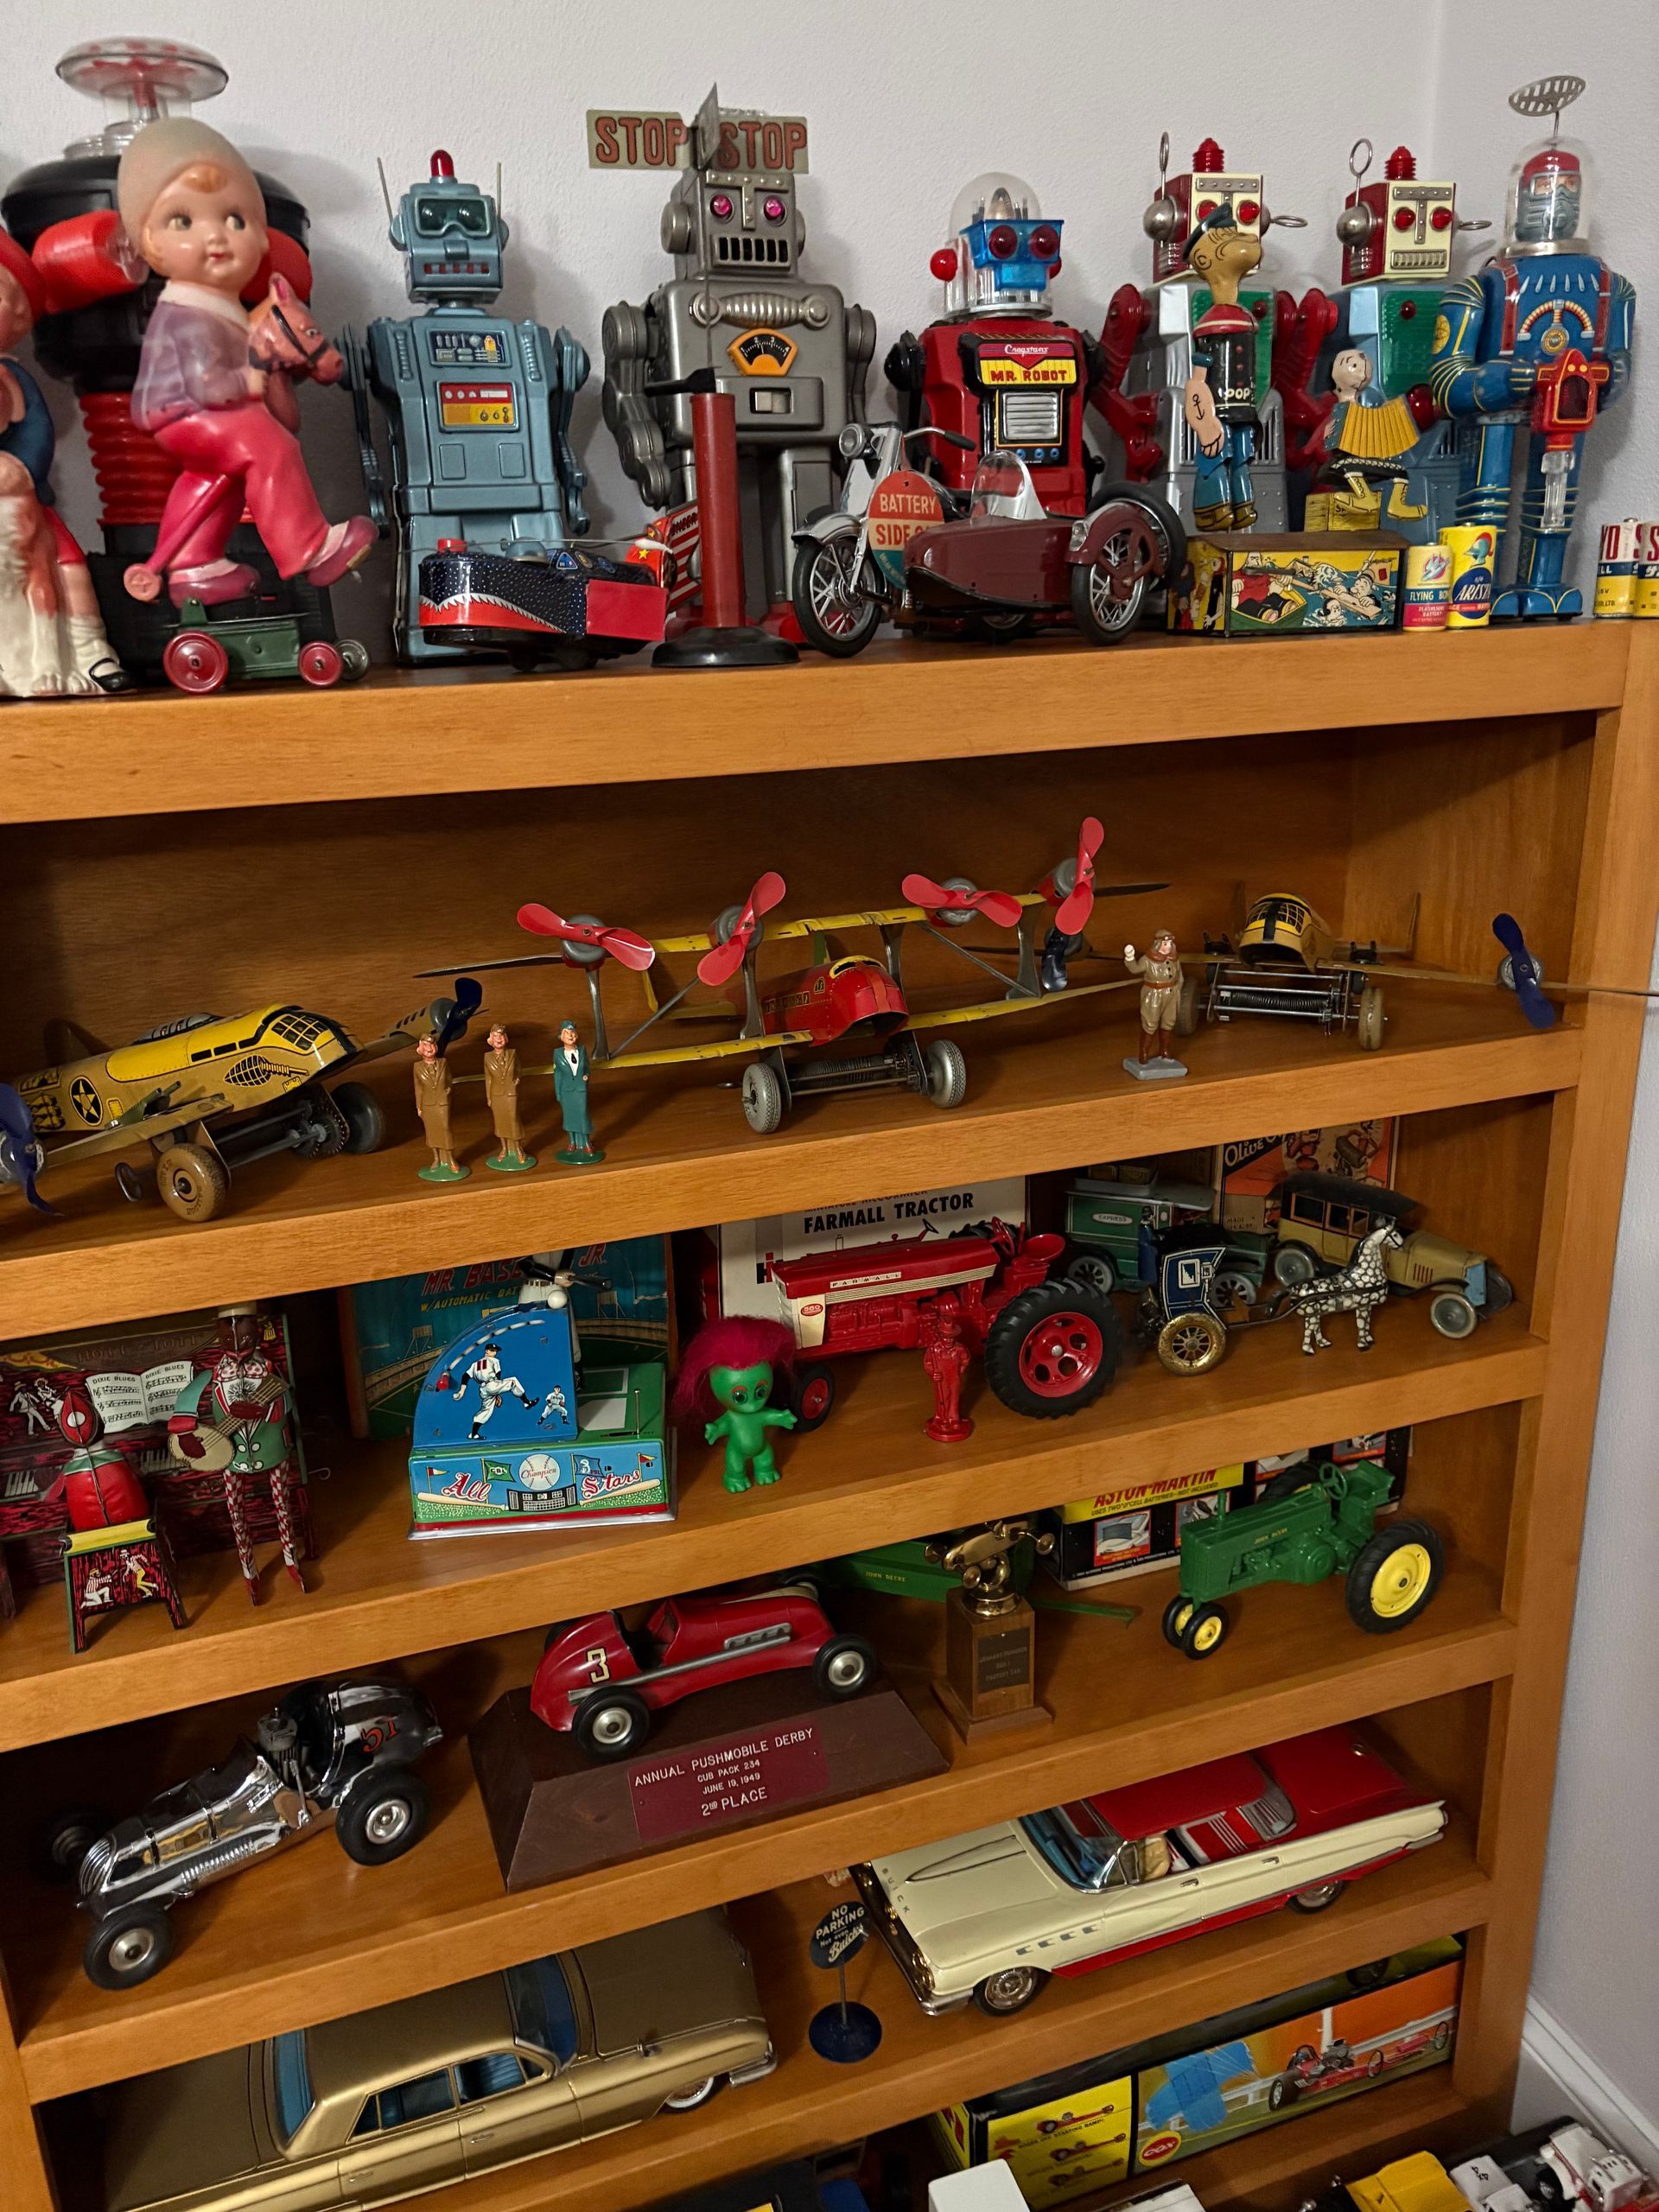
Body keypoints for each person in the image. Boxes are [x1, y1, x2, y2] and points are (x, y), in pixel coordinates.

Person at [117, 118, 372, 607]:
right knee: (266, 445)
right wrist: (253, 373)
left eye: (234, 220)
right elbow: (206, 381)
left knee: (220, 477)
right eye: (184, 221)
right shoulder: (184, 312)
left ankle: (194, 565)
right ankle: (311, 547)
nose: (216, 237)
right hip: (184, 408)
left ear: (260, 241)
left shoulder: (225, 310)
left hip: (194, 414)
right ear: (149, 242)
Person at [0, 228, 124, 695]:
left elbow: (36, 433)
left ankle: (89, 652)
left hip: (18, 496)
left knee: (68, 565)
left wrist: (23, 470)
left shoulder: (12, 378)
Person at [1123, 929, 1188, 1080]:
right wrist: (1130, 957)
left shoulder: (1174, 959)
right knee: (1150, 1024)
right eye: (1165, 943)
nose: (1168, 946)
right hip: (1154, 995)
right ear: (1158, 944)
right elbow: (1135, 969)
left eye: (1170, 943)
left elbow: (1180, 977)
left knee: (1168, 1023)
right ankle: (1144, 1053)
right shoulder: (1148, 959)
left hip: (1171, 994)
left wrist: (1177, 989)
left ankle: (1164, 1052)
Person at [412, 1032, 467, 1180]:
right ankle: (437, 1158)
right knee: (432, 1133)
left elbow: (449, 1080)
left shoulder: (443, 1063)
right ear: (420, 1049)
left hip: (442, 1103)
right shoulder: (417, 1067)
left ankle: (449, 1159)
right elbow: (418, 1088)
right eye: (425, 1046)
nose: (429, 1049)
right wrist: (419, 1107)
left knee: (445, 1130)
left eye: (431, 1045)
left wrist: (448, 1090)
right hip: (428, 1104)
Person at [482, 1023, 534, 1171]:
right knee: (500, 1122)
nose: (498, 1039)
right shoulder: (487, 1057)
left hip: (511, 1093)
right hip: (496, 1094)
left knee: (513, 1120)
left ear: (505, 1038)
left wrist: (517, 1079)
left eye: (501, 1036)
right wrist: (489, 1097)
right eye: (495, 1036)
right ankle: (504, 1148)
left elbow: (518, 1069)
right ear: (491, 1039)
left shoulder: (512, 1053)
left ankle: (517, 1148)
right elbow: (488, 1079)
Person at [552, 1020, 603, 1163]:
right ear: (561, 1037)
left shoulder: (582, 1050)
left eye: (572, 1033)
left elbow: (586, 1067)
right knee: (569, 1117)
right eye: (566, 1033)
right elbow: (557, 1075)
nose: (570, 1036)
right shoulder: (557, 1054)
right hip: (566, 1090)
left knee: (582, 1116)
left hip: (580, 1090)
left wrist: (587, 1076)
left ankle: (586, 1143)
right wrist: (558, 1093)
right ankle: (572, 1142)